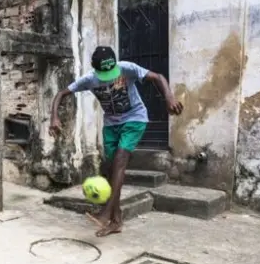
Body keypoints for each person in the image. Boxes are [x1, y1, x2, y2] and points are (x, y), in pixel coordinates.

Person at [49, 46, 183, 237]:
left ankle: (106, 214)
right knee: (111, 169)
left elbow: (158, 77)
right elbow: (62, 93)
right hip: (111, 125)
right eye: (104, 73)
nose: (110, 76)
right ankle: (117, 221)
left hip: (135, 119)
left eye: (111, 72)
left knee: (120, 161)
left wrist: (168, 97)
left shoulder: (126, 68)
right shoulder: (89, 79)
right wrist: (54, 117)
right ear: (95, 69)